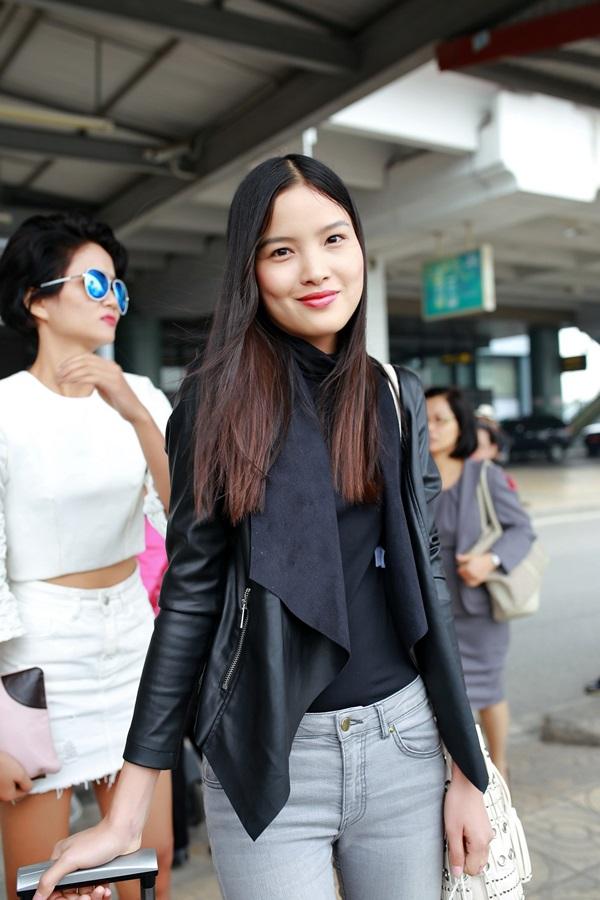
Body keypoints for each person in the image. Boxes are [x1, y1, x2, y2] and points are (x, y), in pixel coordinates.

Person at [35, 156, 492, 900]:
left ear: (359, 246)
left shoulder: (394, 394)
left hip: (404, 745)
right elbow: (189, 599)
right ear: (250, 269)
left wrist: (465, 768)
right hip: (269, 756)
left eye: (334, 239)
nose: (315, 269)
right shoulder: (215, 403)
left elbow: (428, 580)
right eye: (282, 250)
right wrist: (126, 814)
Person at [0, 213, 173, 900]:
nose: (113, 299)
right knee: (41, 880)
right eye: (95, 283)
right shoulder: (6, 408)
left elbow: (189, 517)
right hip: (37, 655)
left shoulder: (141, 395)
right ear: (36, 301)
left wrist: (135, 410)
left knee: (149, 861)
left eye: (119, 287)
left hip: (131, 636)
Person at [425, 386, 535, 779]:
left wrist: (490, 560)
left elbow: (521, 529)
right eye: (424, 419)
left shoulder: (485, 475)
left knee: (486, 691)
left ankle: (498, 768)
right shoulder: (412, 476)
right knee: (441, 695)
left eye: (441, 420)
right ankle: (460, 773)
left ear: (461, 425)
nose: (431, 428)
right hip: (428, 609)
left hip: (477, 608)